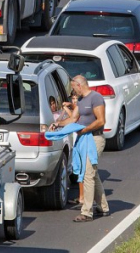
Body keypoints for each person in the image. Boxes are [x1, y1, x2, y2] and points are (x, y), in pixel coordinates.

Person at [56, 75, 109, 222]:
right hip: (83, 139)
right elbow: (73, 119)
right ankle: (103, 207)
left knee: (87, 174)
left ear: (80, 85)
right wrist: (58, 124)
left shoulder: (96, 98)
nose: (73, 92)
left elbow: (101, 121)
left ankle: (87, 212)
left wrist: (84, 130)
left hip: (95, 139)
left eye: (73, 88)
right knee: (92, 173)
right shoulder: (80, 100)